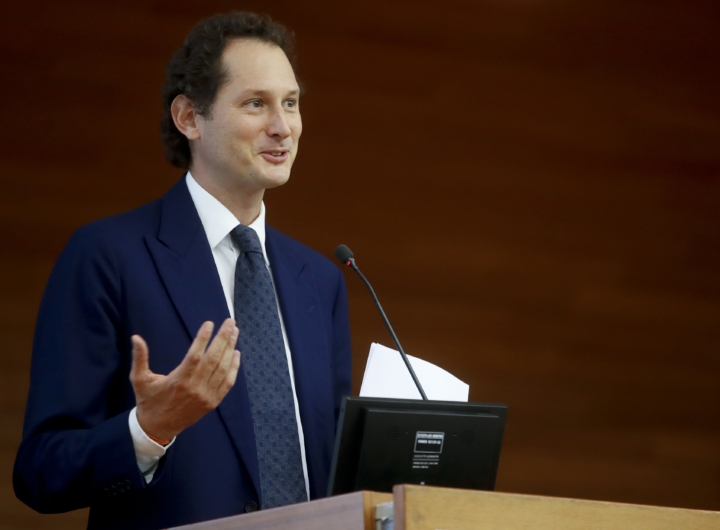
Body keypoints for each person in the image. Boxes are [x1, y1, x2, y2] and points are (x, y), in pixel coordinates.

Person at [13, 12, 352, 530]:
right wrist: (148, 429)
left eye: (290, 102)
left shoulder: (321, 280)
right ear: (190, 117)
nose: (282, 127)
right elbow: (41, 472)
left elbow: (333, 468)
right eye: (255, 103)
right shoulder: (108, 255)